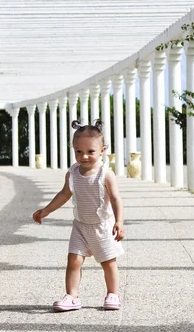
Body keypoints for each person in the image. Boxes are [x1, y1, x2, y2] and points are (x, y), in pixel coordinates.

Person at [32, 119, 125, 312]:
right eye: (79, 152)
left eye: (90, 152)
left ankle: (113, 293)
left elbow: (116, 198)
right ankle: (72, 296)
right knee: (73, 260)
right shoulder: (72, 173)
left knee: (108, 262)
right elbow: (65, 194)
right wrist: (46, 210)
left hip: (103, 226)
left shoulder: (105, 174)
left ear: (102, 150)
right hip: (81, 226)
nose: (84, 157)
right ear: (73, 150)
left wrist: (119, 222)